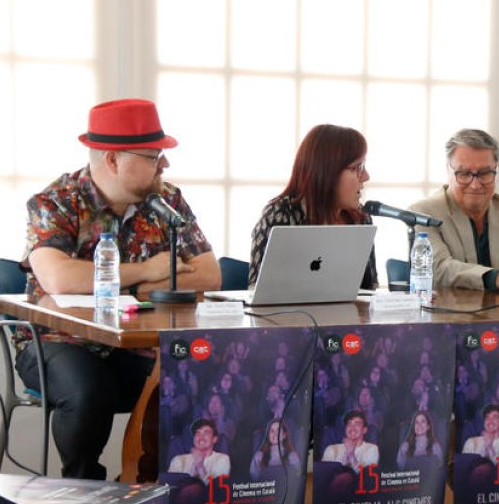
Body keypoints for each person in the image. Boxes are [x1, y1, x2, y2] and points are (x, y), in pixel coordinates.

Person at [20, 98, 221, 479]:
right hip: (59, 341)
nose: (165, 164)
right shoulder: (54, 203)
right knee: (87, 391)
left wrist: (139, 286)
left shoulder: (167, 201)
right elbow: (59, 279)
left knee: (189, 379)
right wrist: (150, 270)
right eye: (154, 155)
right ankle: (83, 499)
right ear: (113, 160)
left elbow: (209, 274)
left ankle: (150, 491)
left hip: (137, 344)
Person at [408, 129, 499, 294]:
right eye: (464, 174)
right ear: (448, 171)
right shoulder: (423, 213)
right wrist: (498, 278)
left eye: (485, 173)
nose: (475, 184)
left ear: (498, 170)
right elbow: (439, 269)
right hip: (450, 315)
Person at [248, 124, 378, 288]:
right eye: (356, 168)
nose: (366, 177)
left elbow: (370, 290)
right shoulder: (281, 213)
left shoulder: (362, 219)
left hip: (351, 313)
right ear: (327, 172)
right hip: (289, 314)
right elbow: (257, 291)